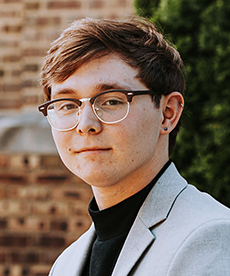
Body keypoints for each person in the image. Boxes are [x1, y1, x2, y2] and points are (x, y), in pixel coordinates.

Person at [38, 16, 230, 276]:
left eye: (112, 101)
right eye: (68, 105)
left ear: (167, 113)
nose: (85, 124)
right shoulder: (65, 264)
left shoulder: (211, 238)